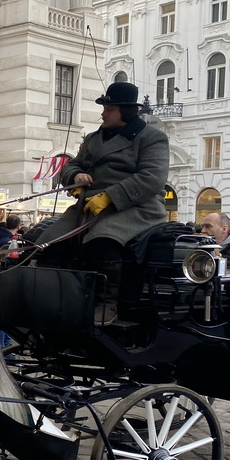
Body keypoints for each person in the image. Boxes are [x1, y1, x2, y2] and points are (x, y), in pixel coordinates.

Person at [36, 81, 170, 324]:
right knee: (48, 242)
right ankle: (55, 297)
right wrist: (75, 176)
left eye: (108, 109)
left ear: (125, 111)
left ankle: (107, 303)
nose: (103, 113)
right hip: (89, 206)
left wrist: (110, 196)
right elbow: (72, 165)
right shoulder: (93, 138)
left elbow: (151, 179)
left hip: (135, 207)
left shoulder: (152, 138)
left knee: (103, 240)